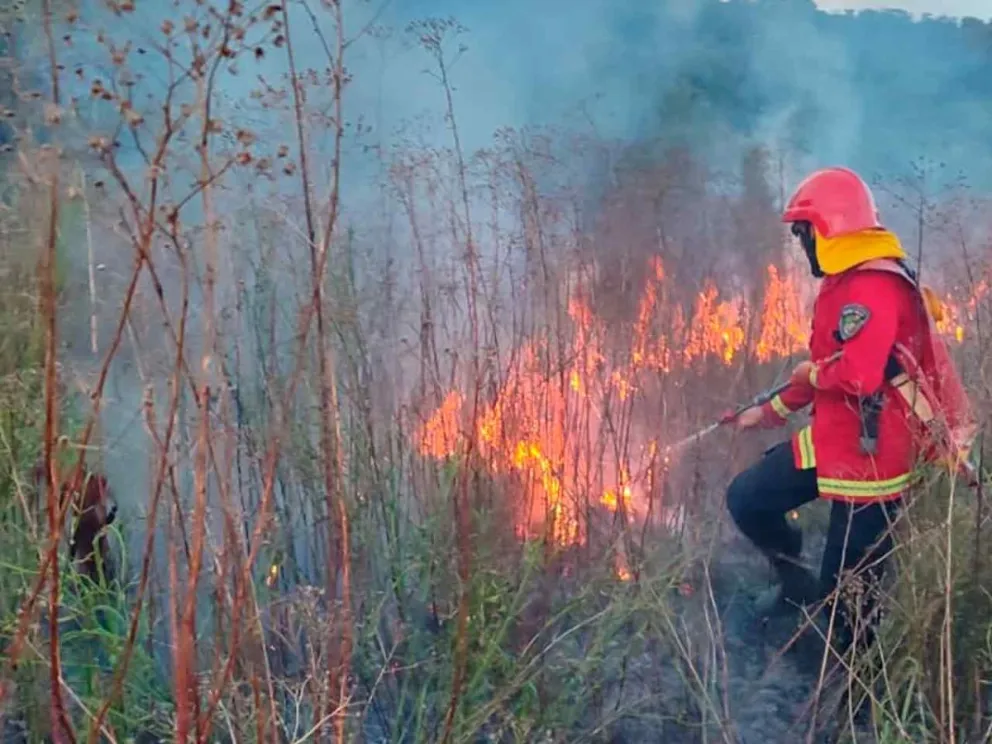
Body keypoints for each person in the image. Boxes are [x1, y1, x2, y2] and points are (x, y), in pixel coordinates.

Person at [725, 166, 975, 652]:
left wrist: (809, 377)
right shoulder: (845, 281)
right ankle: (796, 587)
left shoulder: (873, 287)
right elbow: (828, 366)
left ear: (830, 231)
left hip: (874, 457)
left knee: (849, 604)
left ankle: (849, 697)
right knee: (749, 499)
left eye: (805, 234)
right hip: (834, 438)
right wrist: (768, 410)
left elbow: (857, 377)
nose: (802, 247)